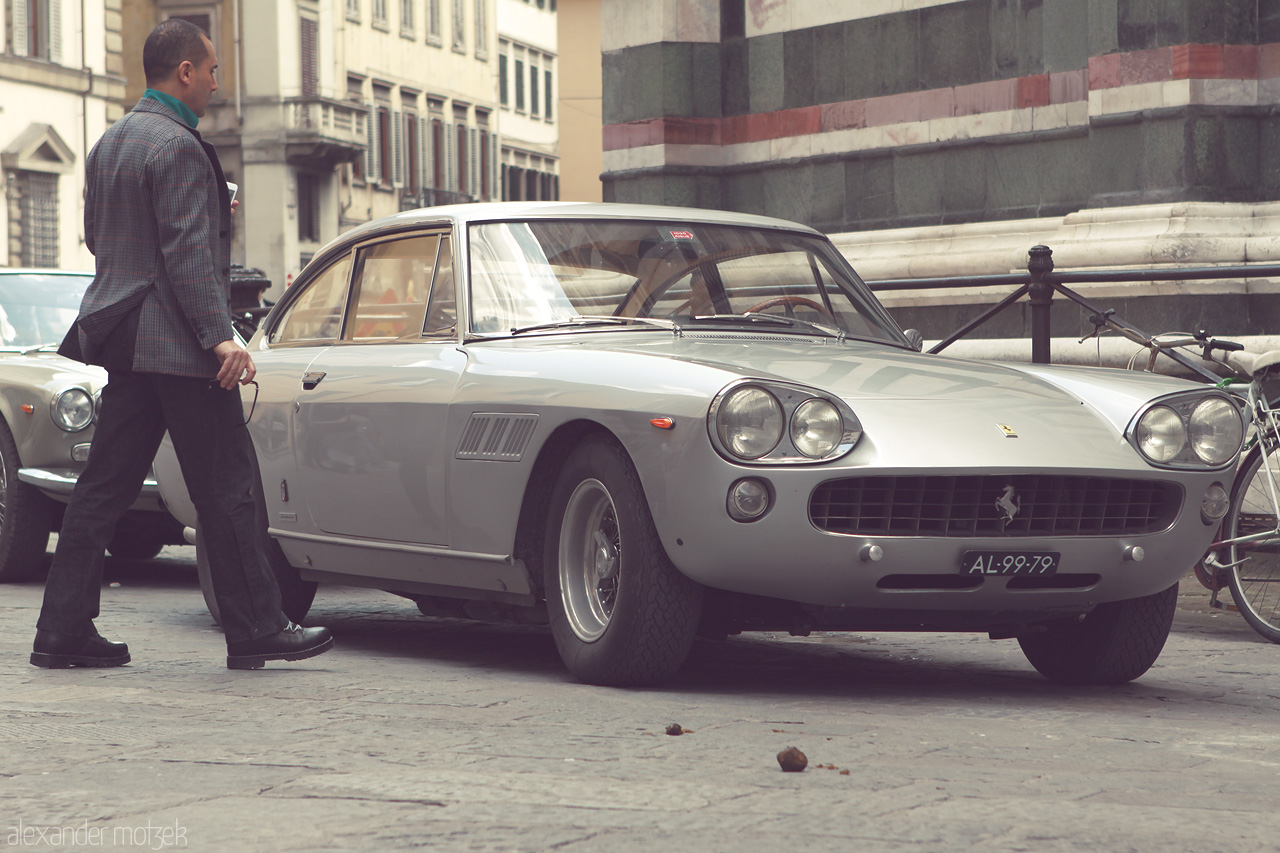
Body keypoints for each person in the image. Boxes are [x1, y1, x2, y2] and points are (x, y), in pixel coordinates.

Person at [31, 19, 333, 670]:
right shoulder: (179, 147)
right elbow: (189, 257)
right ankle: (256, 626)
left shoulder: (111, 143)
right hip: (176, 343)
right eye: (213, 70)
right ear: (185, 73)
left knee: (101, 488)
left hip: (125, 337)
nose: (219, 83)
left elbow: (94, 236)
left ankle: (61, 631)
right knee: (229, 484)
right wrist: (222, 338)